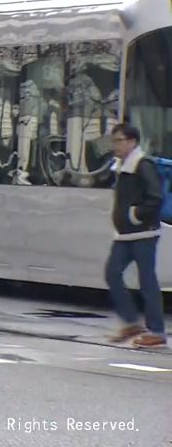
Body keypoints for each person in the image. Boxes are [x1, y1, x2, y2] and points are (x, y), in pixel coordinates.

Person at [106, 123, 167, 348]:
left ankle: (157, 331)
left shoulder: (143, 165)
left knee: (147, 281)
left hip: (143, 233)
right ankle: (131, 321)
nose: (116, 146)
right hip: (124, 235)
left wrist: (135, 214)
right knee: (112, 273)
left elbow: (156, 197)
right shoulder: (121, 166)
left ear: (132, 142)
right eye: (114, 141)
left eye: (119, 141)